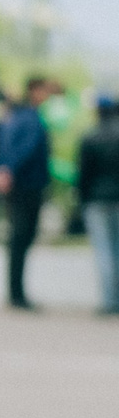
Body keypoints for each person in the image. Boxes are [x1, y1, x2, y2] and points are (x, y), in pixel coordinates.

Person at [0, 74, 58, 310]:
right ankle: (16, 294)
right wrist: (7, 170)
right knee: (22, 236)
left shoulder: (17, 116)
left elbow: (4, 145)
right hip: (27, 185)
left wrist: (3, 169)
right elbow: (25, 148)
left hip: (22, 184)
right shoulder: (29, 117)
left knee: (19, 238)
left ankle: (16, 293)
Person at [77, 94, 119, 315]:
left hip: (96, 200)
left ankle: (109, 302)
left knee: (104, 252)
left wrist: (82, 201)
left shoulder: (90, 137)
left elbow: (83, 175)